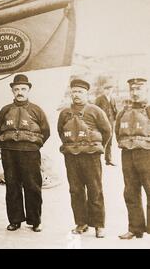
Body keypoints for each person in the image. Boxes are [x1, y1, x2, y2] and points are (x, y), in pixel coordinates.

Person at [0, 74, 50, 232]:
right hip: (9, 152)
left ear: (29, 90)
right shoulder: (5, 110)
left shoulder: (36, 110)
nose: (20, 92)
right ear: (12, 91)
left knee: (32, 186)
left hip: (30, 153)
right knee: (12, 186)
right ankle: (15, 220)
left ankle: (35, 221)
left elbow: (46, 131)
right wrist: (7, 143)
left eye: (23, 89)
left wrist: (33, 145)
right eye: (16, 89)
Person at [57, 78, 111, 238]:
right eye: (74, 92)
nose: (76, 95)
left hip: (91, 156)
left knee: (95, 189)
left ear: (87, 93)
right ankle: (81, 223)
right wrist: (72, 145)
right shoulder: (65, 113)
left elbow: (107, 131)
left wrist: (95, 147)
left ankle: (99, 225)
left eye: (80, 92)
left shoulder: (95, 111)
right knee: (75, 190)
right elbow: (61, 131)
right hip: (71, 157)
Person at [116, 77, 150, 239]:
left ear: (146, 90)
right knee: (130, 191)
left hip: (146, 155)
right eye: (133, 90)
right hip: (127, 154)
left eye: (139, 89)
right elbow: (117, 131)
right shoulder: (124, 111)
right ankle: (135, 228)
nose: (135, 93)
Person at [95, 78, 118, 166]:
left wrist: (116, 119)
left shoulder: (113, 99)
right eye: (107, 89)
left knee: (110, 141)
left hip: (110, 123)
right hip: (101, 124)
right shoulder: (99, 99)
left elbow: (115, 110)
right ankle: (97, 159)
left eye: (110, 89)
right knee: (99, 140)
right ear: (104, 90)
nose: (108, 91)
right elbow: (95, 111)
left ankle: (108, 159)